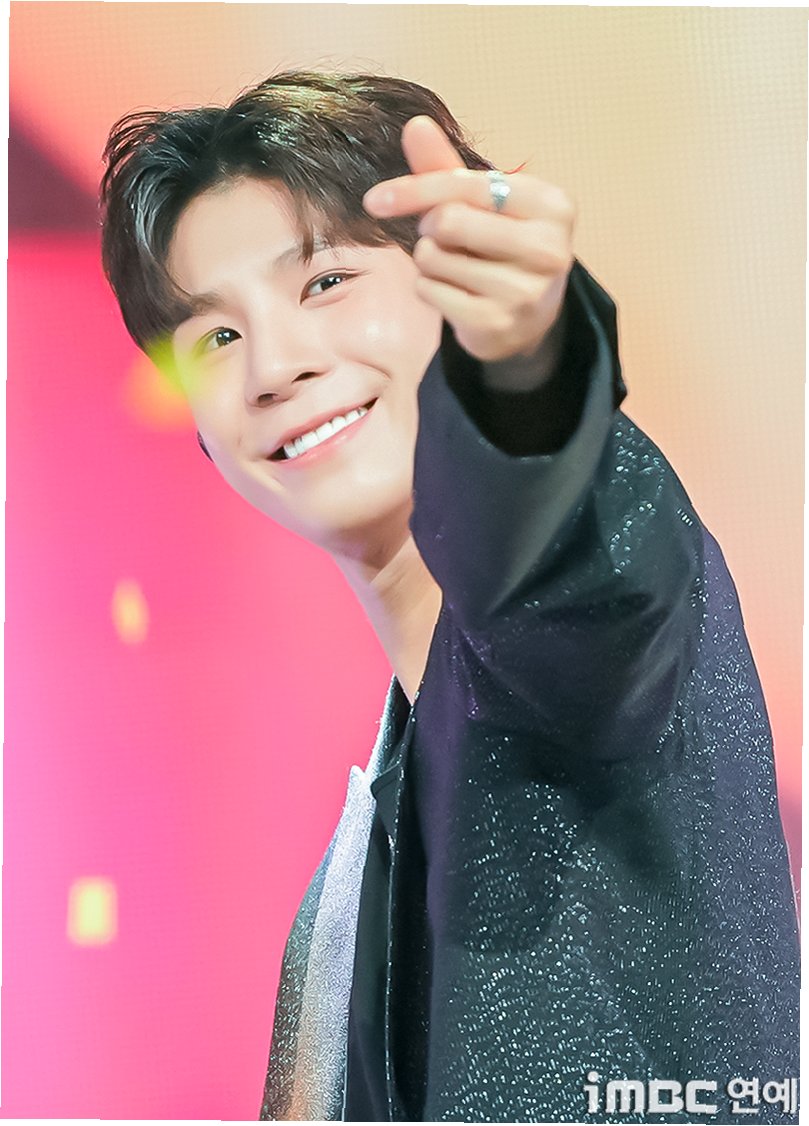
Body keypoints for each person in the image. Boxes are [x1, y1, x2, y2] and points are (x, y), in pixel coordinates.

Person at [99, 71, 800, 1123]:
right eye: (217, 337)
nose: (273, 366)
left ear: (455, 287)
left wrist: (523, 372)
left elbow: (567, 561)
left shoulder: (592, 617)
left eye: (325, 281)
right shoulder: (342, 896)